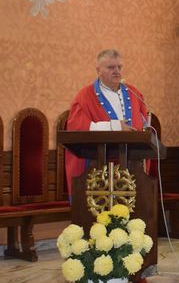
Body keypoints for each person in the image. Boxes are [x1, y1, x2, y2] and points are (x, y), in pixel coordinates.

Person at [64, 49, 149, 198]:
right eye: (111, 67)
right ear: (98, 71)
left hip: (131, 167)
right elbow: (77, 129)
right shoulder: (84, 96)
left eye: (119, 67)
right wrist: (114, 127)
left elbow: (145, 126)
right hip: (98, 169)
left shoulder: (134, 93)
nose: (117, 71)